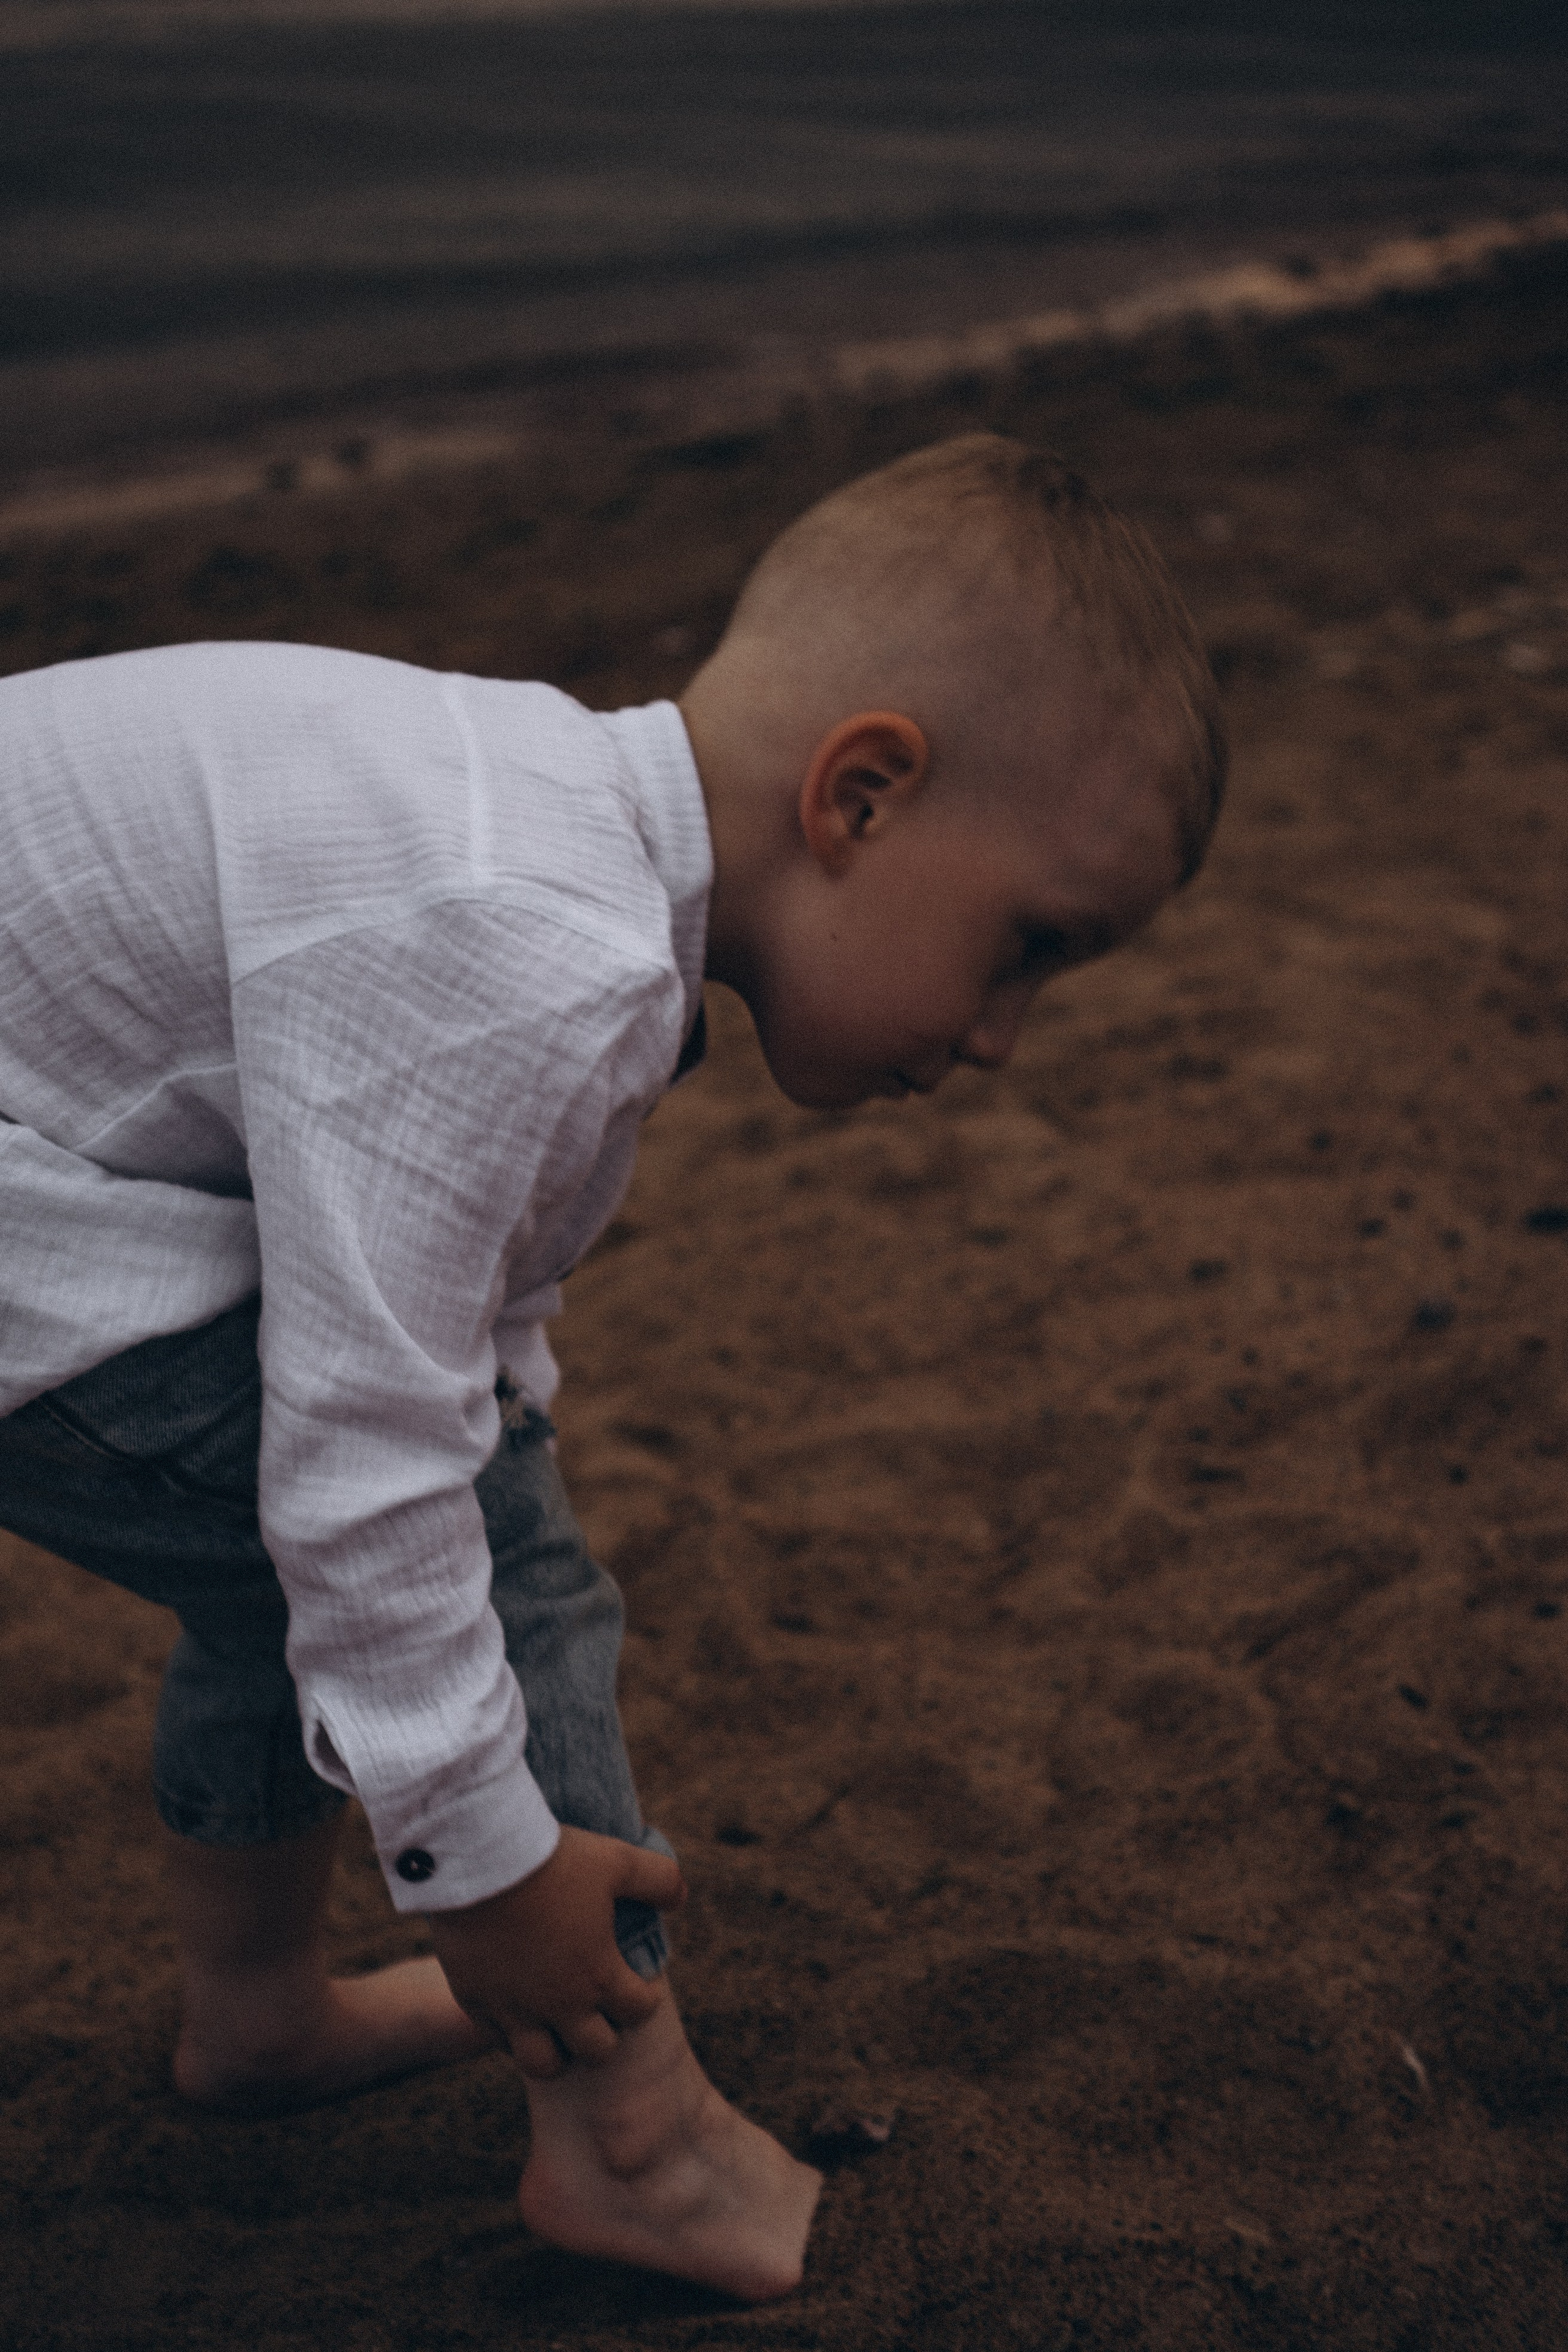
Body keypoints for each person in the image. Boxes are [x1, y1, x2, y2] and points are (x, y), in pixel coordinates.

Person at [0, 433, 1224, 2301]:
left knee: (359, 1553)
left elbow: (448, 1288)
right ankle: (632, 2138)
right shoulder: (528, 945)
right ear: (865, 795)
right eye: (1027, 948)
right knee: (490, 1571)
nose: (1000, 1041)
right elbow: (367, 1459)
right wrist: (489, 1867)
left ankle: (256, 2028)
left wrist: (500, 1422)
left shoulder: (541, 846)